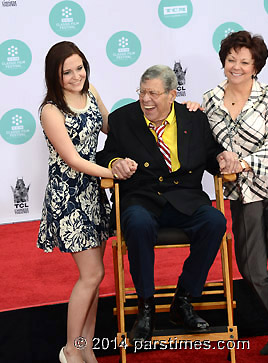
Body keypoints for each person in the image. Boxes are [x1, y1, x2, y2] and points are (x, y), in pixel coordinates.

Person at [97, 64, 238, 344]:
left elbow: (210, 153)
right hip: (142, 197)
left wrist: (223, 158)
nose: (146, 99)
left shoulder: (194, 119)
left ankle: (183, 299)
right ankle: (145, 307)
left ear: (172, 94)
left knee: (215, 222)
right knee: (136, 223)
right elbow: (105, 156)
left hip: (185, 198)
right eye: (142, 92)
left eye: (153, 93)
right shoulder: (123, 119)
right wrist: (116, 163)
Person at [202, 30, 268, 363]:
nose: (237, 66)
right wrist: (190, 111)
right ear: (224, 61)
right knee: (252, 268)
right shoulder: (210, 98)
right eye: (232, 59)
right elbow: (207, 143)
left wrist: (241, 162)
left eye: (245, 61)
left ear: (256, 65)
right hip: (242, 194)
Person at [37, 41, 116, 363]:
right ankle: (70, 349)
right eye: (66, 72)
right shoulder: (50, 110)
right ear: (54, 76)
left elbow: (111, 127)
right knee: (92, 275)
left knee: (95, 278)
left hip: (93, 195)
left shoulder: (91, 91)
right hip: (69, 198)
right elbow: (73, 160)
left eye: (79, 68)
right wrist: (111, 172)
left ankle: (86, 346)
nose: (75, 76)